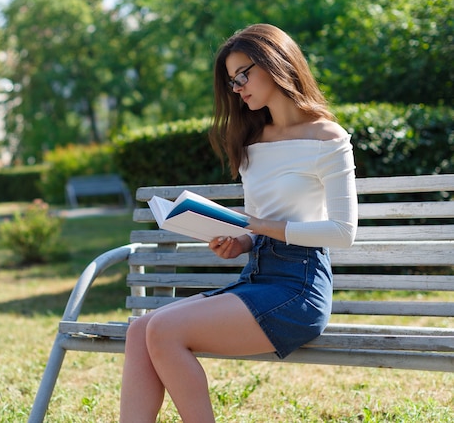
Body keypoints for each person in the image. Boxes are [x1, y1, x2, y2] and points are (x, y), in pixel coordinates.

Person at [119, 23, 358, 423]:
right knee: (139, 331)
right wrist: (240, 242)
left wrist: (260, 228)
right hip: (257, 278)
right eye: (231, 81)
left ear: (274, 63)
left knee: (163, 331)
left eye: (242, 75)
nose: (236, 88)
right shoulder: (252, 141)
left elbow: (342, 233)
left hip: (299, 289)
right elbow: (256, 226)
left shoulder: (327, 138)